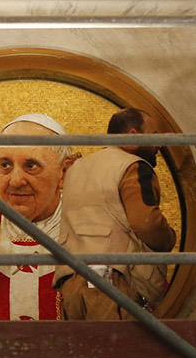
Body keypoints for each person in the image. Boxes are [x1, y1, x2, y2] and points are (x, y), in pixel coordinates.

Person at [55, 108, 177, 320]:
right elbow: (146, 223)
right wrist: (169, 238)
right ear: (132, 135)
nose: (158, 144)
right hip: (111, 281)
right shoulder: (132, 166)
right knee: (117, 350)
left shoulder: (75, 169)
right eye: (153, 136)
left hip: (71, 282)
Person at [0, 113, 75, 321]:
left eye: (31, 166)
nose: (15, 181)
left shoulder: (85, 235)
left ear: (64, 173)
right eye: (5, 165)